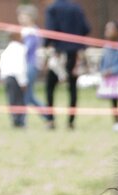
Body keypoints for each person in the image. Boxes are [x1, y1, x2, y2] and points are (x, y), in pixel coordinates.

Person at [43, 0, 90, 130]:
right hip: (74, 55)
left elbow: (50, 31)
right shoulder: (77, 9)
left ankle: (50, 121)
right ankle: (71, 122)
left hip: (58, 54)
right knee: (73, 89)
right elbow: (86, 29)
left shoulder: (52, 9)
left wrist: (46, 45)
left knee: (50, 88)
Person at [17, 6, 51, 127]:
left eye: (23, 16)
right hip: (26, 65)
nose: (20, 18)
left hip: (30, 65)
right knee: (30, 96)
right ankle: (48, 116)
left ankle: (22, 120)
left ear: (30, 17)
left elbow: (27, 49)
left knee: (26, 95)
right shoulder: (26, 31)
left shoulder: (32, 32)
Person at [0, 31, 28, 128]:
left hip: (7, 78)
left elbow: (2, 64)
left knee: (11, 100)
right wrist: (23, 81)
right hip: (16, 78)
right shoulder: (20, 49)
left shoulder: (6, 50)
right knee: (20, 100)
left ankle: (14, 119)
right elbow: (21, 67)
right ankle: (20, 121)